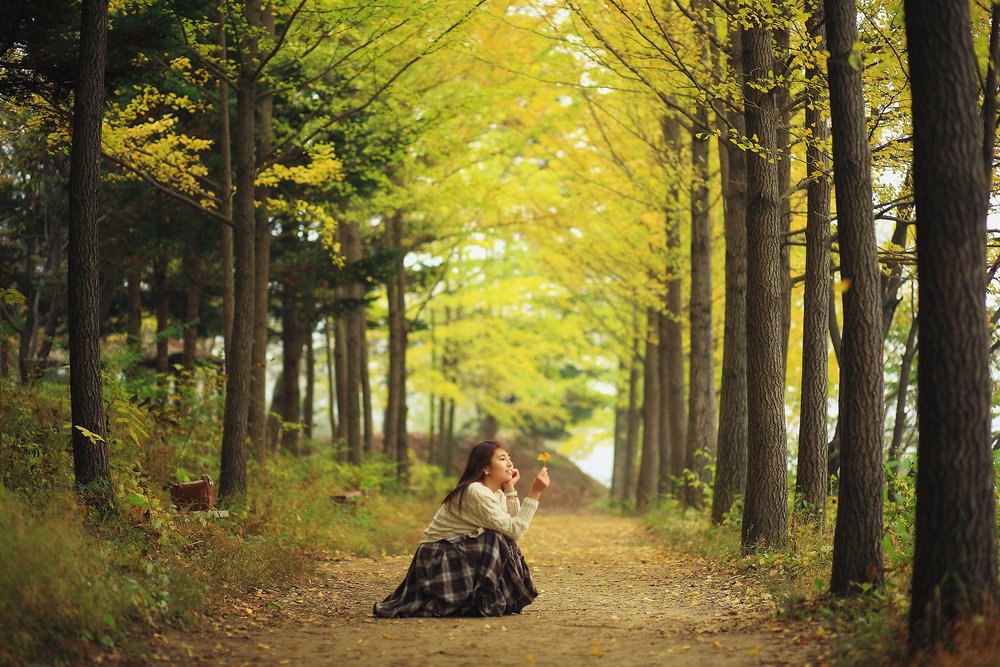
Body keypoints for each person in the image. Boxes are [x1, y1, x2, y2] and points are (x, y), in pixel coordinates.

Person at [373, 439, 550, 618]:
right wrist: (534, 494)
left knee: (499, 537)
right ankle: (470, 600)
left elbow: (511, 527)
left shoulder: (495, 494)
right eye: (502, 459)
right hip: (435, 559)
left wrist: (510, 489)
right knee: (494, 538)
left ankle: (483, 599)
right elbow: (514, 529)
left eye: (509, 458)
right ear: (485, 468)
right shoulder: (475, 491)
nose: (510, 463)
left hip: (454, 550)